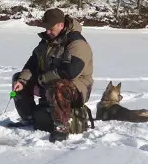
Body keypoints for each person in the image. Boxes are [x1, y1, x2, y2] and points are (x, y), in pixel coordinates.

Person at [12, 8, 94, 141]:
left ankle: (62, 127)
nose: (47, 31)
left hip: (77, 88)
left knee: (59, 85)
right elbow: (32, 64)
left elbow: (70, 72)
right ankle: (28, 118)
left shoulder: (77, 43)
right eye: (46, 28)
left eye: (50, 28)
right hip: (49, 84)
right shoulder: (46, 41)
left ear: (61, 25)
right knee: (18, 78)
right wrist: (22, 81)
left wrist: (41, 81)